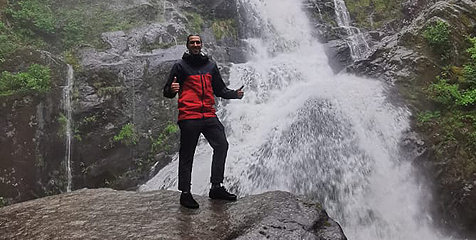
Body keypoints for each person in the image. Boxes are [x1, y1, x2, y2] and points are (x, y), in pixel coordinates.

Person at [163, 34, 244, 209]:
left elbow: (220, 89)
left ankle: (216, 187)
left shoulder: (210, 66)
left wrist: (234, 94)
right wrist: (172, 89)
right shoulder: (180, 66)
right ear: (187, 45)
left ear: (201, 45)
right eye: (192, 42)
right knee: (187, 154)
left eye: (198, 42)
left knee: (222, 145)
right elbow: (167, 90)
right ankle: (185, 193)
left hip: (208, 114)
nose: (195, 45)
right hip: (189, 115)